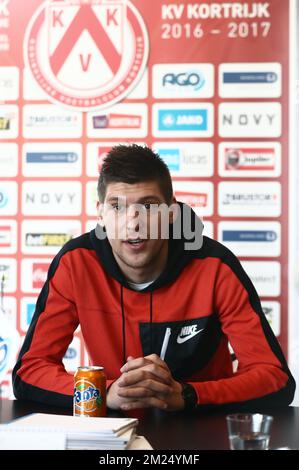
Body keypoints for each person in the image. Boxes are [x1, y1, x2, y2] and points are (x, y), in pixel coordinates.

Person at [13, 144, 295, 411]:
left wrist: (186, 394)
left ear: (172, 212)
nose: (133, 222)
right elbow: (30, 370)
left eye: (148, 206)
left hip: (201, 425)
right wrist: (104, 393)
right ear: (100, 213)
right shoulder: (76, 263)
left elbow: (274, 377)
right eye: (117, 206)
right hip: (111, 431)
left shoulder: (215, 265)